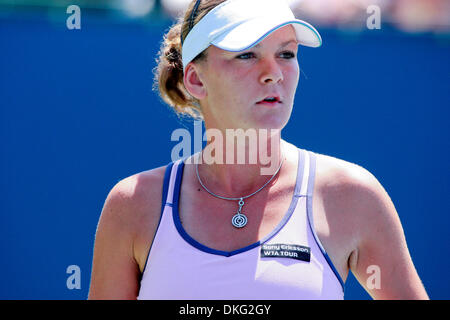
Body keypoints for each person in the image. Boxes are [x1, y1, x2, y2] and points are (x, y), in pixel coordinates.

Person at [88, 0, 429, 300]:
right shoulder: (131, 206)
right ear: (195, 79)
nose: (274, 74)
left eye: (286, 54)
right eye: (247, 54)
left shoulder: (353, 197)